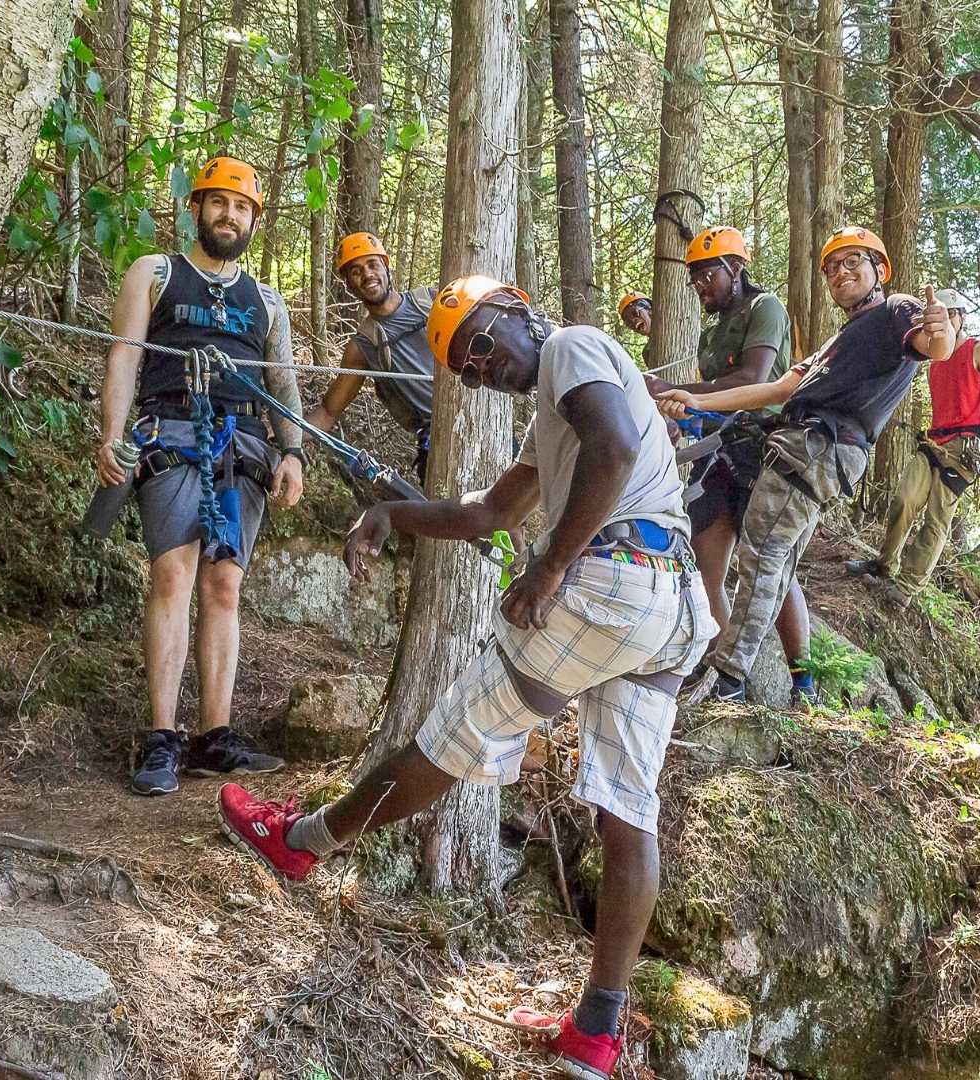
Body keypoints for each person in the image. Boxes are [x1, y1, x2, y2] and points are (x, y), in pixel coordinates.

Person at [219, 274, 716, 1080]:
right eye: (466, 368)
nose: (481, 367)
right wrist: (393, 513)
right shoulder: (551, 411)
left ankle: (301, 843)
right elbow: (489, 513)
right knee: (628, 806)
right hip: (668, 604)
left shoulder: (571, 346)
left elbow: (617, 447)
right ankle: (596, 1032)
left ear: (515, 308)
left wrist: (552, 569)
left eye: (481, 344)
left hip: (613, 581)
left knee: (454, 732)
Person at [659, 226, 958, 703]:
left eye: (853, 262)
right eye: (833, 268)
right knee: (772, 561)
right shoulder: (839, 342)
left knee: (761, 558)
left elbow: (932, 345)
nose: (842, 273)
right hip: (810, 446)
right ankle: (773, 682)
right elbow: (775, 390)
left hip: (817, 445)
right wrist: (693, 400)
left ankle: (728, 677)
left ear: (880, 270)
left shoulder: (895, 310)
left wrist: (943, 333)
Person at [93, 156, 307, 796]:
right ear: (195, 208)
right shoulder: (155, 273)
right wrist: (111, 433)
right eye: (218, 203)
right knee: (172, 574)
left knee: (224, 588)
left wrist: (292, 453)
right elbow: (125, 357)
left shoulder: (267, 301)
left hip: (242, 446)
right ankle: (162, 737)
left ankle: (214, 737)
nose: (229, 215)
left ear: (253, 221)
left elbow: (284, 384)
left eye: (241, 208)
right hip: (172, 432)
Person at [645, 226, 816, 703]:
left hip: (763, 447)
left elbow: (752, 377)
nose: (701, 286)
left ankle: (803, 679)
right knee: (705, 561)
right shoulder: (710, 331)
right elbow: (709, 395)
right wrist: (678, 412)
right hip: (720, 452)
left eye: (709, 275)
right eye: (695, 278)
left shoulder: (766, 309)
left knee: (773, 570)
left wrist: (672, 391)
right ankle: (722, 676)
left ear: (736, 269)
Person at [849, 288, 980, 600]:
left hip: (965, 447)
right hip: (934, 442)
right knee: (904, 500)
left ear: (958, 317)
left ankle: (906, 588)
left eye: (947, 315)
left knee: (936, 519)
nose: (940, 321)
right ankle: (883, 564)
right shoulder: (935, 359)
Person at [304, 232, 439, 478]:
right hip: (436, 440)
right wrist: (285, 432)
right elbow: (328, 412)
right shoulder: (364, 345)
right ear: (348, 285)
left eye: (372, 264)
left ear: (386, 267)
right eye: (355, 271)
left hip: (480, 419)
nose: (367, 275)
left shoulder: (433, 300)